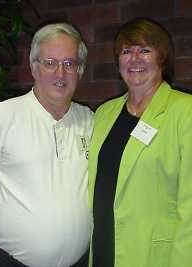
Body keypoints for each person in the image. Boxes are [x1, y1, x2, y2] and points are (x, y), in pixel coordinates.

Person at [88, 17, 192, 267]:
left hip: (154, 256)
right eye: (127, 51)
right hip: (104, 248)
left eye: (145, 50)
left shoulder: (185, 111)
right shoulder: (104, 113)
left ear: (162, 58)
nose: (135, 59)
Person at [0, 22, 94, 267]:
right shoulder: (0, 117)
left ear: (79, 70)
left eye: (69, 64)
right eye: (50, 63)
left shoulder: (90, 121)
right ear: (34, 67)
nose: (60, 73)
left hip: (79, 262)